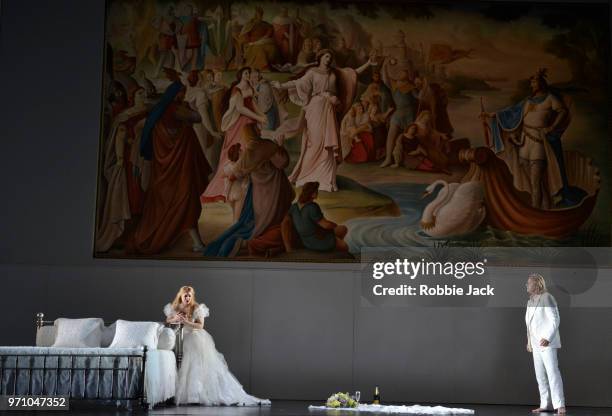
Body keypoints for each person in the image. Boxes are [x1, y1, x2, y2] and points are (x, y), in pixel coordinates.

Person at [271, 49, 374, 192]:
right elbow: (297, 82)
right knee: (315, 141)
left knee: (328, 143)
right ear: (320, 57)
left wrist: (368, 63)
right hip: (316, 108)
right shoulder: (312, 72)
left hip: (329, 109)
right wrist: (281, 86)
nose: (328, 59)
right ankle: (306, 176)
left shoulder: (333, 73)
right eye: (326, 56)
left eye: (330, 57)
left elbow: (351, 75)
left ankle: (326, 180)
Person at [481, 68, 585, 209]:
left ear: (541, 83)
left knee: (536, 183)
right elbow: (510, 112)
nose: (532, 85)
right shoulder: (528, 101)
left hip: (538, 143)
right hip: (524, 142)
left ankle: (536, 212)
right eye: (531, 83)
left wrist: (552, 127)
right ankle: (546, 206)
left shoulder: (550, 98)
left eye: (534, 82)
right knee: (535, 183)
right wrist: (491, 115)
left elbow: (562, 111)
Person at [130, 80, 211, 254]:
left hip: (165, 168)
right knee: (186, 202)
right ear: (175, 94)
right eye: (182, 92)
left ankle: (190, 240)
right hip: (177, 168)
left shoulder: (159, 111)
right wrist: (190, 106)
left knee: (176, 203)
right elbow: (197, 118)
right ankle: (195, 242)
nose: (183, 95)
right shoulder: (175, 108)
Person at [164, 286, 271, 406]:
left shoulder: (196, 307)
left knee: (194, 361)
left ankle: (196, 395)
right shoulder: (176, 306)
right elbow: (168, 320)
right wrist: (175, 318)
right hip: (180, 335)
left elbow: (200, 326)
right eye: (185, 296)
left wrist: (186, 322)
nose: (188, 298)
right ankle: (182, 394)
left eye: (190, 296)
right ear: (181, 296)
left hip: (194, 335)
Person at [201, 67, 267, 203]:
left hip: (249, 123)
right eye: (246, 73)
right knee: (235, 155)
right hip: (239, 125)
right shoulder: (236, 89)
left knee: (250, 154)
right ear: (240, 75)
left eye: (249, 73)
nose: (248, 75)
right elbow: (240, 108)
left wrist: (262, 115)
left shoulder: (250, 87)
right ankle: (225, 190)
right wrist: (258, 118)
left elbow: (253, 104)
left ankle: (249, 189)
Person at [525, 273, 566, 415]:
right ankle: (545, 404)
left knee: (553, 373)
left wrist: (548, 337)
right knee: (540, 375)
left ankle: (560, 405)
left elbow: (555, 319)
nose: (526, 285)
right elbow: (530, 325)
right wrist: (529, 342)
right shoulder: (530, 301)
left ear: (537, 284)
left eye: (529, 283)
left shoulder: (547, 297)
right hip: (536, 344)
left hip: (547, 343)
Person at [378, 57, 419, 168]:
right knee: (391, 134)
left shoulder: (411, 86)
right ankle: (388, 158)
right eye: (401, 71)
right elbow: (385, 76)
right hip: (399, 112)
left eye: (404, 71)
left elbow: (418, 97)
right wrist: (386, 63)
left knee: (412, 135)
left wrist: (420, 88)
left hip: (410, 113)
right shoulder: (394, 85)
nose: (402, 73)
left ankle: (407, 158)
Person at [287, 182, 348, 252]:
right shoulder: (312, 206)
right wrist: (334, 225)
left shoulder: (294, 206)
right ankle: (333, 248)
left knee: (343, 228)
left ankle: (335, 242)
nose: (317, 192)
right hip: (317, 239)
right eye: (316, 191)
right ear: (312, 193)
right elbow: (326, 225)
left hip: (305, 240)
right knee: (345, 246)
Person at [222, 143, 249, 223]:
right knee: (237, 218)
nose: (242, 151)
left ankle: (234, 230)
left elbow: (223, 175)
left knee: (235, 216)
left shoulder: (227, 165)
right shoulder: (240, 167)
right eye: (240, 151)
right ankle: (235, 232)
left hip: (230, 194)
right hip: (239, 193)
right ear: (238, 154)